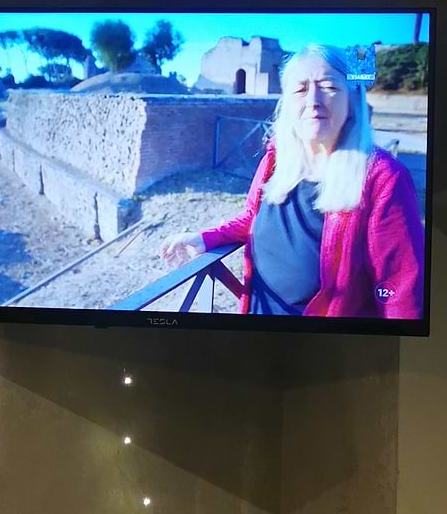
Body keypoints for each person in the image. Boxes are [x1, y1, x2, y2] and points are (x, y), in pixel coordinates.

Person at [161, 44, 424, 319]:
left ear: (352, 99)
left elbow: (401, 292)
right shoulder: (275, 159)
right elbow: (252, 217)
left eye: (328, 87)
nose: (313, 100)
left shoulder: (382, 177)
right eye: (300, 89)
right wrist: (206, 239)